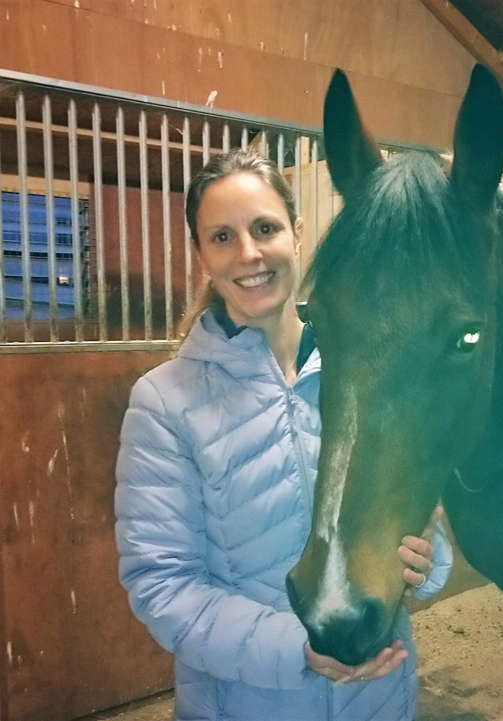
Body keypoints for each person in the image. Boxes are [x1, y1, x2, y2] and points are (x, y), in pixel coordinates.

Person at [114, 147, 452, 721]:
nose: (248, 253)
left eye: (264, 228)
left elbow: (412, 514)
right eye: (222, 237)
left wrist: (427, 558)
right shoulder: (165, 402)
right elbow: (162, 586)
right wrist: (298, 649)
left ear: (296, 234)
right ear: (201, 255)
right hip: (245, 704)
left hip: (378, 698)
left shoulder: (370, 375)